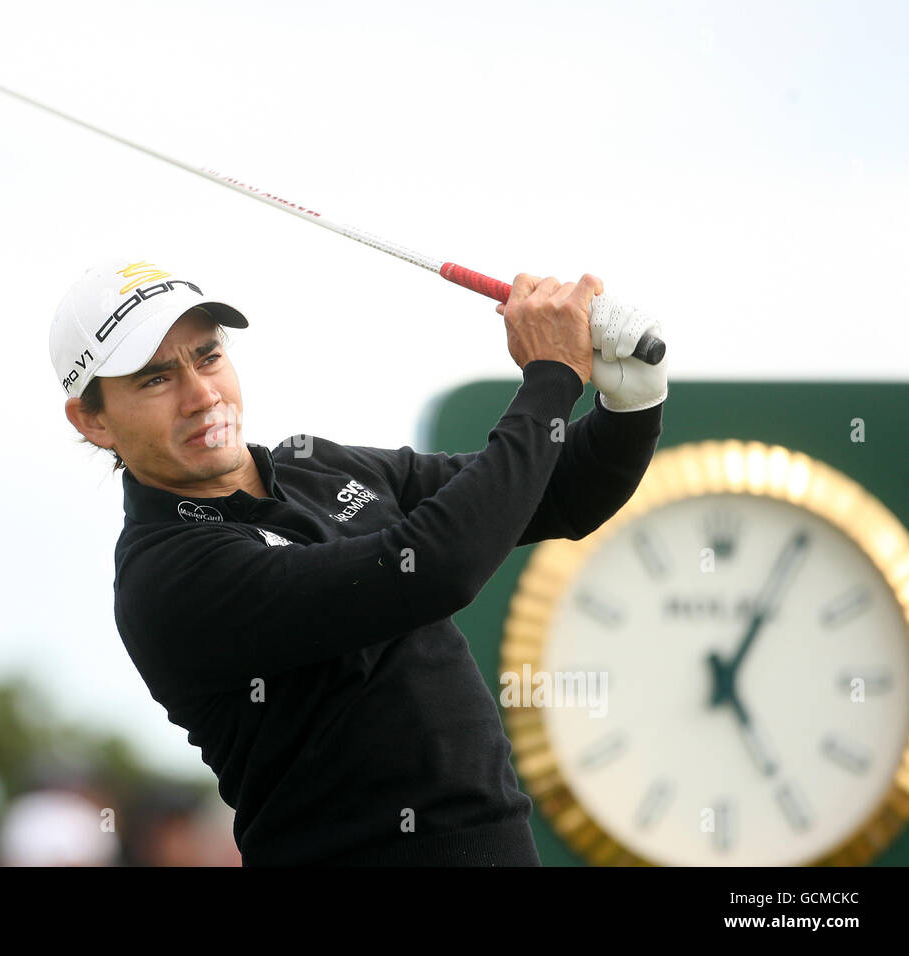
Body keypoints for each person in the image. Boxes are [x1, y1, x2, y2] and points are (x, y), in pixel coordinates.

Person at [51, 257, 667, 866]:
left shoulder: (318, 465)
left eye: (208, 356)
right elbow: (434, 567)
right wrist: (551, 376)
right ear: (93, 419)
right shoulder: (168, 574)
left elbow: (558, 493)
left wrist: (631, 402)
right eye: (156, 380)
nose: (201, 395)